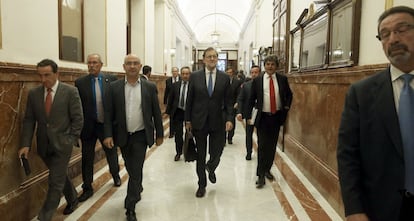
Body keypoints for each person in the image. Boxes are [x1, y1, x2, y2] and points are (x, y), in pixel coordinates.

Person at [337, 6, 414, 221]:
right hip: (382, 208)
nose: (393, 39)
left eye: (402, 29)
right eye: (385, 34)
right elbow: (347, 155)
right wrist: (354, 209)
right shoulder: (361, 93)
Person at [18, 59, 83, 221]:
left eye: (47, 75)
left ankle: (44, 217)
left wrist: (70, 139)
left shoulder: (70, 92)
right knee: (59, 176)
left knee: (55, 182)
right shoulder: (34, 94)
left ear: (56, 74)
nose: (43, 79)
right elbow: (29, 120)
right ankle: (73, 198)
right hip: (43, 145)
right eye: (40, 75)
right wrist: (25, 144)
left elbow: (78, 119)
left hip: (63, 145)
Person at [103, 54, 164, 221]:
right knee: (131, 168)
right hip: (122, 136)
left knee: (135, 170)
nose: (132, 66)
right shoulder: (114, 87)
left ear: (140, 66)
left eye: (135, 63)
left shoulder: (149, 87)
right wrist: (107, 134)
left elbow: (156, 112)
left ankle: (130, 207)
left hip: (140, 136)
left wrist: (159, 134)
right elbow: (108, 113)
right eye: (128, 63)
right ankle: (137, 188)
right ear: (124, 67)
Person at [185, 47, 233, 198]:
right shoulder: (195, 76)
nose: (212, 59)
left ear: (217, 59)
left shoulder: (225, 78)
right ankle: (201, 185)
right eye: (209, 56)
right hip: (199, 121)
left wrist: (230, 118)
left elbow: (229, 101)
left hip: (218, 121)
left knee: (217, 152)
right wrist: (187, 120)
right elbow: (189, 99)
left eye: (214, 56)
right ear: (204, 59)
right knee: (200, 155)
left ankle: (211, 167)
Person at [74, 53, 121, 203]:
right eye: (89, 63)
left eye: (95, 63)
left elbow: (116, 105)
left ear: (101, 65)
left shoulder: (111, 80)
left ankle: (115, 175)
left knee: (111, 153)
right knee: (87, 158)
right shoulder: (80, 83)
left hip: (105, 126)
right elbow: (77, 106)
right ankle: (87, 187)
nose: (91, 65)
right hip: (88, 127)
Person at [246, 55, 292, 189]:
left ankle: (267, 169)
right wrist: (248, 116)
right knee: (262, 146)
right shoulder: (258, 80)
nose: (270, 66)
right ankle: (260, 175)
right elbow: (251, 99)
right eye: (267, 64)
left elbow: (289, 95)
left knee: (272, 146)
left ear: (276, 66)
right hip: (263, 117)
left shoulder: (282, 79)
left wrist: (286, 107)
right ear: (264, 66)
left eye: (272, 64)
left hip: (276, 117)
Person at [165, 66, 191, 161]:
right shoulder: (175, 85)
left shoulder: (193, 85)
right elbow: (170, 99)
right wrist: (168, 112)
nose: (185, 76)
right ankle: (178, 152)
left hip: (189, 112)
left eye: (187, 74)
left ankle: (187, 151)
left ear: (189, 74)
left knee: (188, 134)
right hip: (178, 112)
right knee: (178, 134)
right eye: (183, 73)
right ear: (180, 74)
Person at [236, 65, 261, 160]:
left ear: (260, 73)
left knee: (261, 135)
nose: (254, 74)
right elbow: (241, 99)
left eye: (256, 72)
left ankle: (261, 153)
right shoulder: (246, 85)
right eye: (252, 72)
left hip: (260, 114)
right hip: (249, 114)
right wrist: (239, 112)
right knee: (249, 134)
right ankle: (249, 152)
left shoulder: (263, 84)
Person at [225, 67, 243, 145]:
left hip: (232, 104)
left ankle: (230, 137)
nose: (229, 74)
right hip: (224, 105)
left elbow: (239, 93)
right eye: (227, 72)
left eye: (230, 72)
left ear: (233, 73)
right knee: (222, 121)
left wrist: (237, 102)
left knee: (231, 120)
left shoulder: (237, 82)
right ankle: (222, 138)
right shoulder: (222, 80)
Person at [164, 67, 181, 138]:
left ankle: (178, 132)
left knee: (179, 119)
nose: (174, 73)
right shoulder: (168, 80)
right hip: (172, 102)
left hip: (180, 102)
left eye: (176, 71)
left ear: (178, 72)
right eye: (173, 71)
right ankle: (171, 133)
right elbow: (166, 91)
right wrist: (165, 101)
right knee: (171, 118)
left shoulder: (181, 79)